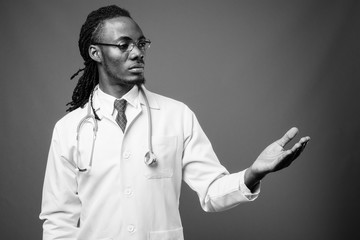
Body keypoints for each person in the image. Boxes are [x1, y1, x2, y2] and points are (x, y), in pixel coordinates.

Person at [39, 5, 310, 240]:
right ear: (95, 53)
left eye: (141, 44)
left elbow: (211, 192)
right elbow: (58, 220)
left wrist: (254, 172)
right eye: (124, 45)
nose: (137, 53)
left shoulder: (176, 115)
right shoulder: (69, 129)